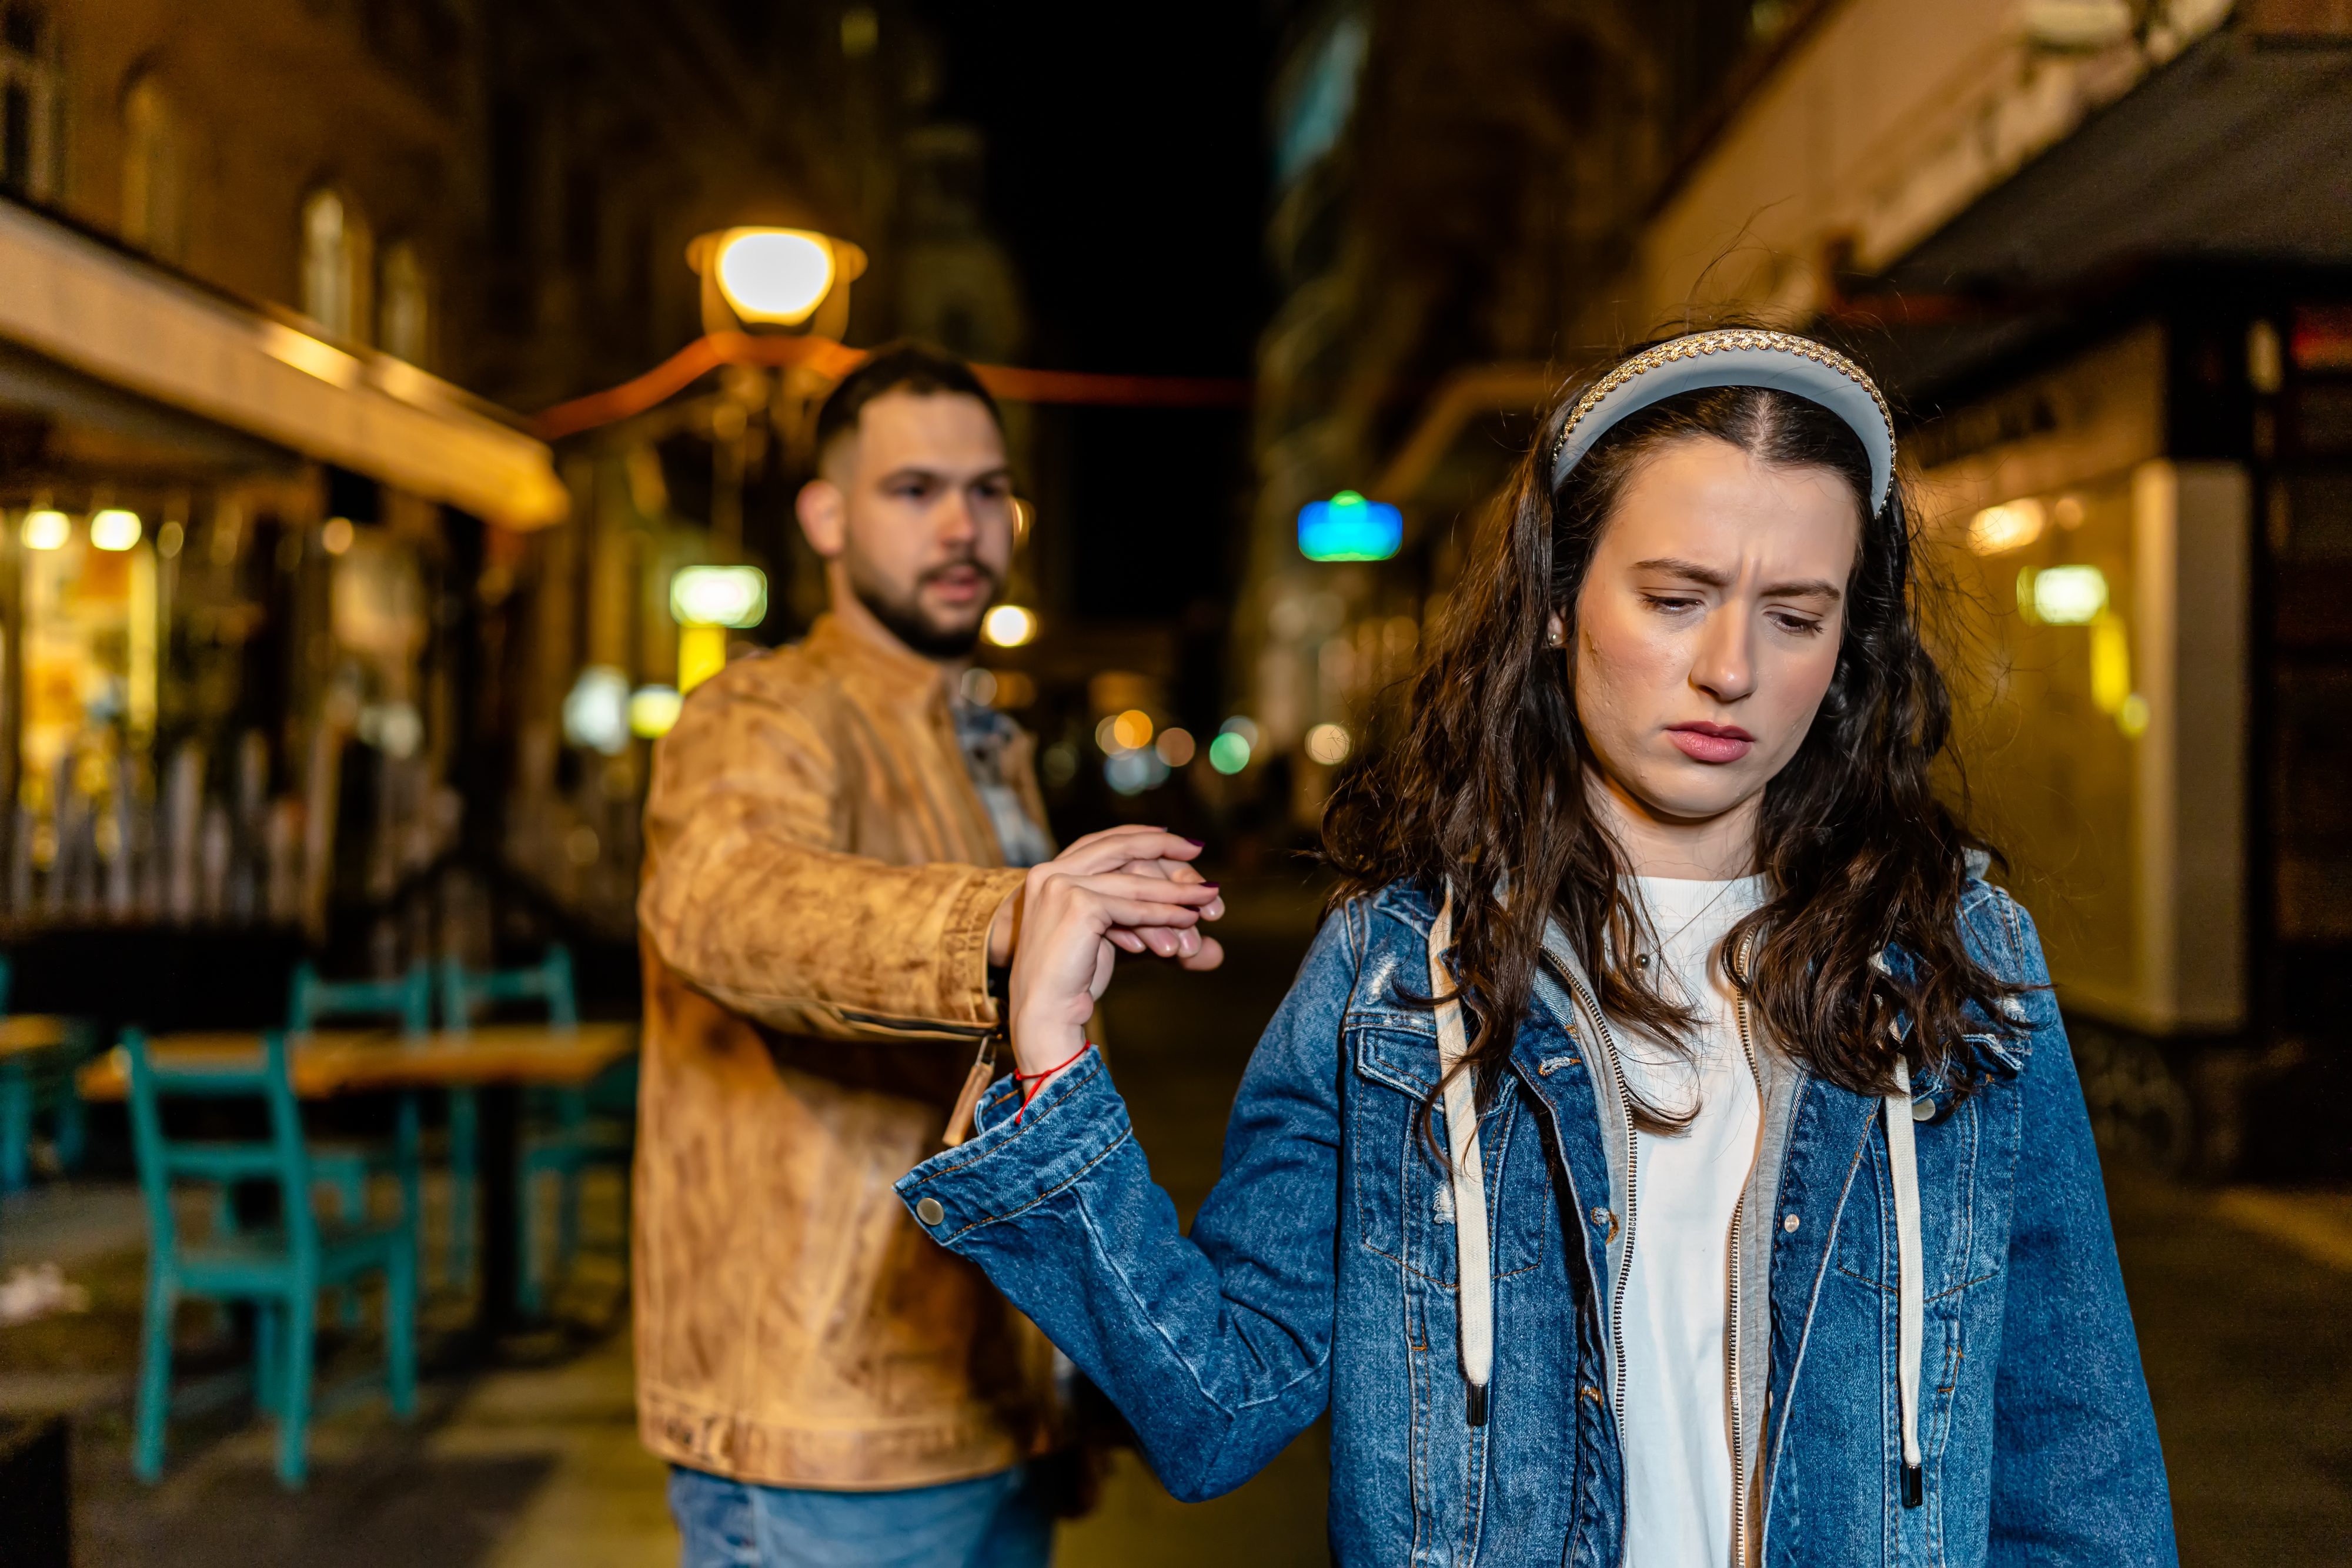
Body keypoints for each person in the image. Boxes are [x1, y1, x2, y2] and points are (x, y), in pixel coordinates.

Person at [894, 328, 2176, 1566]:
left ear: (1848, 646)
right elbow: (1218, 1406)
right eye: (1674, 598)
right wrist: (1050, 1061)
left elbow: (2076, 1461)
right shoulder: (1397, 972)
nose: (1729, 668)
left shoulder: (1951, 957)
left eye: (1795, 616)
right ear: (1558, 602)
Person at [637, 341, 1221, 1568]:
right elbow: (729, 899)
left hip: (991, 1410)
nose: (962, 525)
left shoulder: (980, 742)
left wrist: (1065, 1379)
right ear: (826, 516)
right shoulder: (760, 712)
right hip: (823, 1439)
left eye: (987, 489)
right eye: (914, 490)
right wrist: (1001, 918)